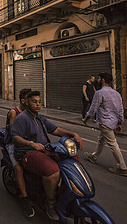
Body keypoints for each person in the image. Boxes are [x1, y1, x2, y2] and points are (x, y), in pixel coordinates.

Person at [12, 91, 84, 221]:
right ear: (27, 102)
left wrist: (72, 134)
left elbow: (55, 130)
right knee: (52, 170)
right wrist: (31, 143)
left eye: (40, 102)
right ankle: (50, 203)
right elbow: (15, 137)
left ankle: (63, 195)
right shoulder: (21, 118)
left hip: (45, 149)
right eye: (34, 102)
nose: (38, 104)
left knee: (73, 161)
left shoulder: (40, 118)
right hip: (27, 152)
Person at [83, 72, 127, 177]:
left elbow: (93, 108)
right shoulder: (116, 94)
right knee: (101, 139)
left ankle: (122, 167)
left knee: (113, 144)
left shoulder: (99, 93)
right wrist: (120, 122)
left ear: (103, 80)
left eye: (99, 79)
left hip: (105, 122)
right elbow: (120, 109)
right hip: (113, 121)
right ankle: (94, 157)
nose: (97, 81)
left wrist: (86, 118)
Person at [6, 89, 34, 218]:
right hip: (14, 144)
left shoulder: (32, 113)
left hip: (28, 142)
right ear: (24, 101)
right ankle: (25, 198)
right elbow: (14, 134)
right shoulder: (14, 112)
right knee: (18, 169)